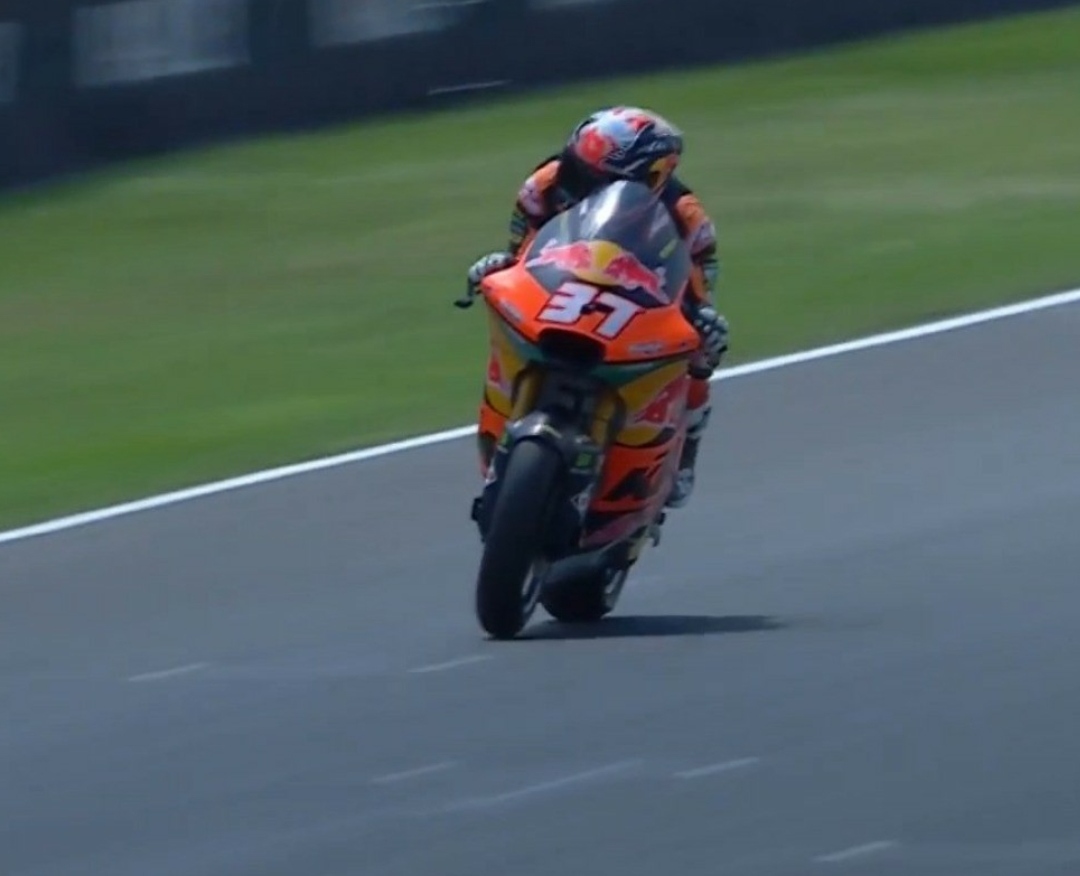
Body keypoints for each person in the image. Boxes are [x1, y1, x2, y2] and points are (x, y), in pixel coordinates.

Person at [456, 106, 729, 509]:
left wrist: (701, 318)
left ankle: (685, 456)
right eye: (574, 167)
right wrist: (501, 265)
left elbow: (698, 285)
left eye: (591, 179)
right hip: (563, 286)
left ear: (650, 179)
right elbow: (522, 252)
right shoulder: (543, 186)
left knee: (702, 355)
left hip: (639, 299)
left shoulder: (687, 219)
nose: (573, 184)